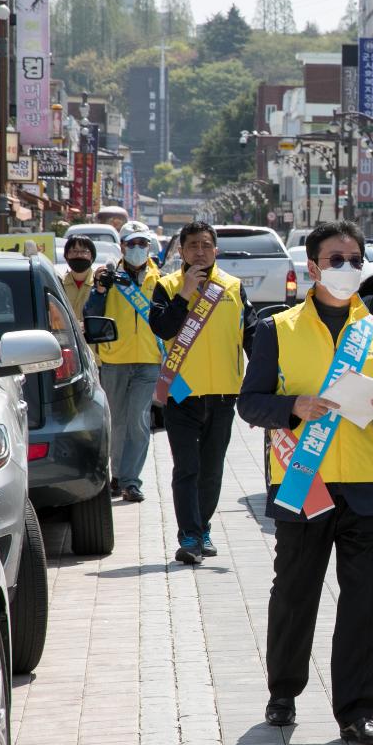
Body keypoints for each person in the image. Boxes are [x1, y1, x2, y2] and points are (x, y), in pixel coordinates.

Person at [238, 220, 373, 745]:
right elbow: (249, 402)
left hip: (365, 484)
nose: (347, 268)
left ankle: (356, 711)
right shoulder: (276, 329)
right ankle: (283, 693)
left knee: (364, 601)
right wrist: (294, 405)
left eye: (355, 259)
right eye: (336, 259)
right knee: (294, 592)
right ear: (311, 267)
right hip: (302, 480)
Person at [149, 221, 257, 564]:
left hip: (224, 393)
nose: (200, 251)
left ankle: (204, 526)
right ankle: (190, 537)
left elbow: (251, 335)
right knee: (187, 467)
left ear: (216, 250)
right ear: (181, 251)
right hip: (182, 393)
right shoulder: (166, 286)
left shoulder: (233, 287)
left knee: (212, 469)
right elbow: (162, 327)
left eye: (206, 245)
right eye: (193, 245)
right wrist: (184, 294)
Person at [85, 221, 164, 503]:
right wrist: (100, 291)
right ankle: (116, 475)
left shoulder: (161, 280)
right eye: (132, 244)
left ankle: (131, 480)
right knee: (117, 422)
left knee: (139, 421)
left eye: (143, 244)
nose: (138, 249)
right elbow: (91, 314)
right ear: (122, 247)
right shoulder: (108, 277)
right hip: (115, 359)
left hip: (149, 361)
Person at [61, 235, 97, 325]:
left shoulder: (100, 284)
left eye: (84, 251)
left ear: (92, 256)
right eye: (74, 251)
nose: (79, 255)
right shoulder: (59, 284)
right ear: (66, 256)